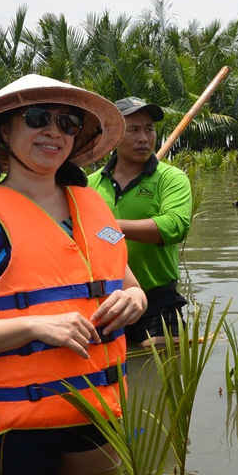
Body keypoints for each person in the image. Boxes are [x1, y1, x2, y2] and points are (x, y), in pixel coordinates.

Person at [0, 74, 148, 475]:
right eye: (36, 118)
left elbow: (128, 285)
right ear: (4, 132)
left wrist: (135, 301)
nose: (54, 131)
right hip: (14, 421)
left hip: (95, 405)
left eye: (67, 123)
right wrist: (33, 325)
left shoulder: (93, 205)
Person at [87, 97, 192, 345]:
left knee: (161, 375)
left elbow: (173, 226)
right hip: (106, 301)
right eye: (133, 130)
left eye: (149, 129)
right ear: (112, 135)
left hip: (157, 300)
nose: (144, 138)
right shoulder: (89, 185)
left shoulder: (171, 178)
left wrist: (110, 226)